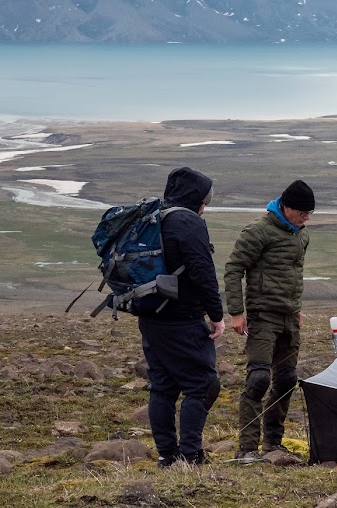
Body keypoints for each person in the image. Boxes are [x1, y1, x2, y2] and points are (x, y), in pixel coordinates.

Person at [138, 166, 225, 467]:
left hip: (150, 316)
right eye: (206, 199)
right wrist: (217, 315)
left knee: (162, 387)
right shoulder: (188, 223)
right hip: (182, 319)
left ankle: (167, 456)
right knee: (202, 385)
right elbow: (203, 273)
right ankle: (191, 455)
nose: (206, 206)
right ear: (198, 197)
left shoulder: (154, 217)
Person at [224, 179, 315, 462]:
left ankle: (273, 444)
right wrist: (237, 313)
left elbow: (293, 275)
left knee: (287, 379)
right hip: (263, 316)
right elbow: (233, 268)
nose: (306, 218)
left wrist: (295, 308)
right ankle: (247, 449)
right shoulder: (258, 232)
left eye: (309, 214)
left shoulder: (302, 236)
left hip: (289, 318)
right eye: (302, 213)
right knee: (259, 379)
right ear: (286, 207)